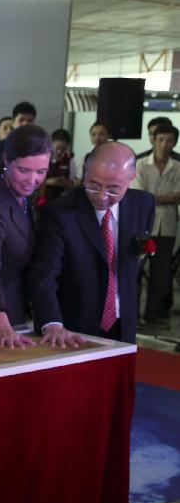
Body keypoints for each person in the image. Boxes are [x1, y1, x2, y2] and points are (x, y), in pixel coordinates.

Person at [30, 142, 155, 345]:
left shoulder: (144, 205)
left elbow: (134, 262)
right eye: (94, 185)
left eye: (113, 189)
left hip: (124, 321)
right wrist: (52, 322)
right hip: (74, 325)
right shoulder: (61, 212)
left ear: (132, 178)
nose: (102, 196)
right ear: (85, 172)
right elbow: (44, 274)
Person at [0, 125, 52, 348]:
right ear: (6, 159)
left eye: (41, 172)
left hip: (18, 313)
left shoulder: (23, 198)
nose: (32, 180)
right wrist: (1, 325)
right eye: (24, 170)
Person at [132, 122, 180, 328]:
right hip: (142, 225)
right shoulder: (141, 164)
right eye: (160, 139)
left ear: (175, 143)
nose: (164, 144)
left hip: (166, 226)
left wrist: (154, 198)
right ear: (153, 140)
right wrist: (167, 197)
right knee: (135, 270)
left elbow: (178, 196)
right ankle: (131, 314)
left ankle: (153, 314)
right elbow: (139, 196)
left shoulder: (178, 167)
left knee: (161, 274)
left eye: (169, 140)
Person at [0, 101, 37, 186]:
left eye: (30, 121)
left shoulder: (37, 148)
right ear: (13, 122)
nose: (25, 124)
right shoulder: (1, 145)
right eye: (21, 120)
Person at [41, 128, 76, 202]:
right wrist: (49, 181)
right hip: (44, 199)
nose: (59, 151)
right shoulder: (44, 159)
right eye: (57, 148)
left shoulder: (70, 161)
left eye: (63, 149)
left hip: (63, 199)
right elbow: (35, 182)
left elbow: (73, 184)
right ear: (51, 145)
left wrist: (65, 183)